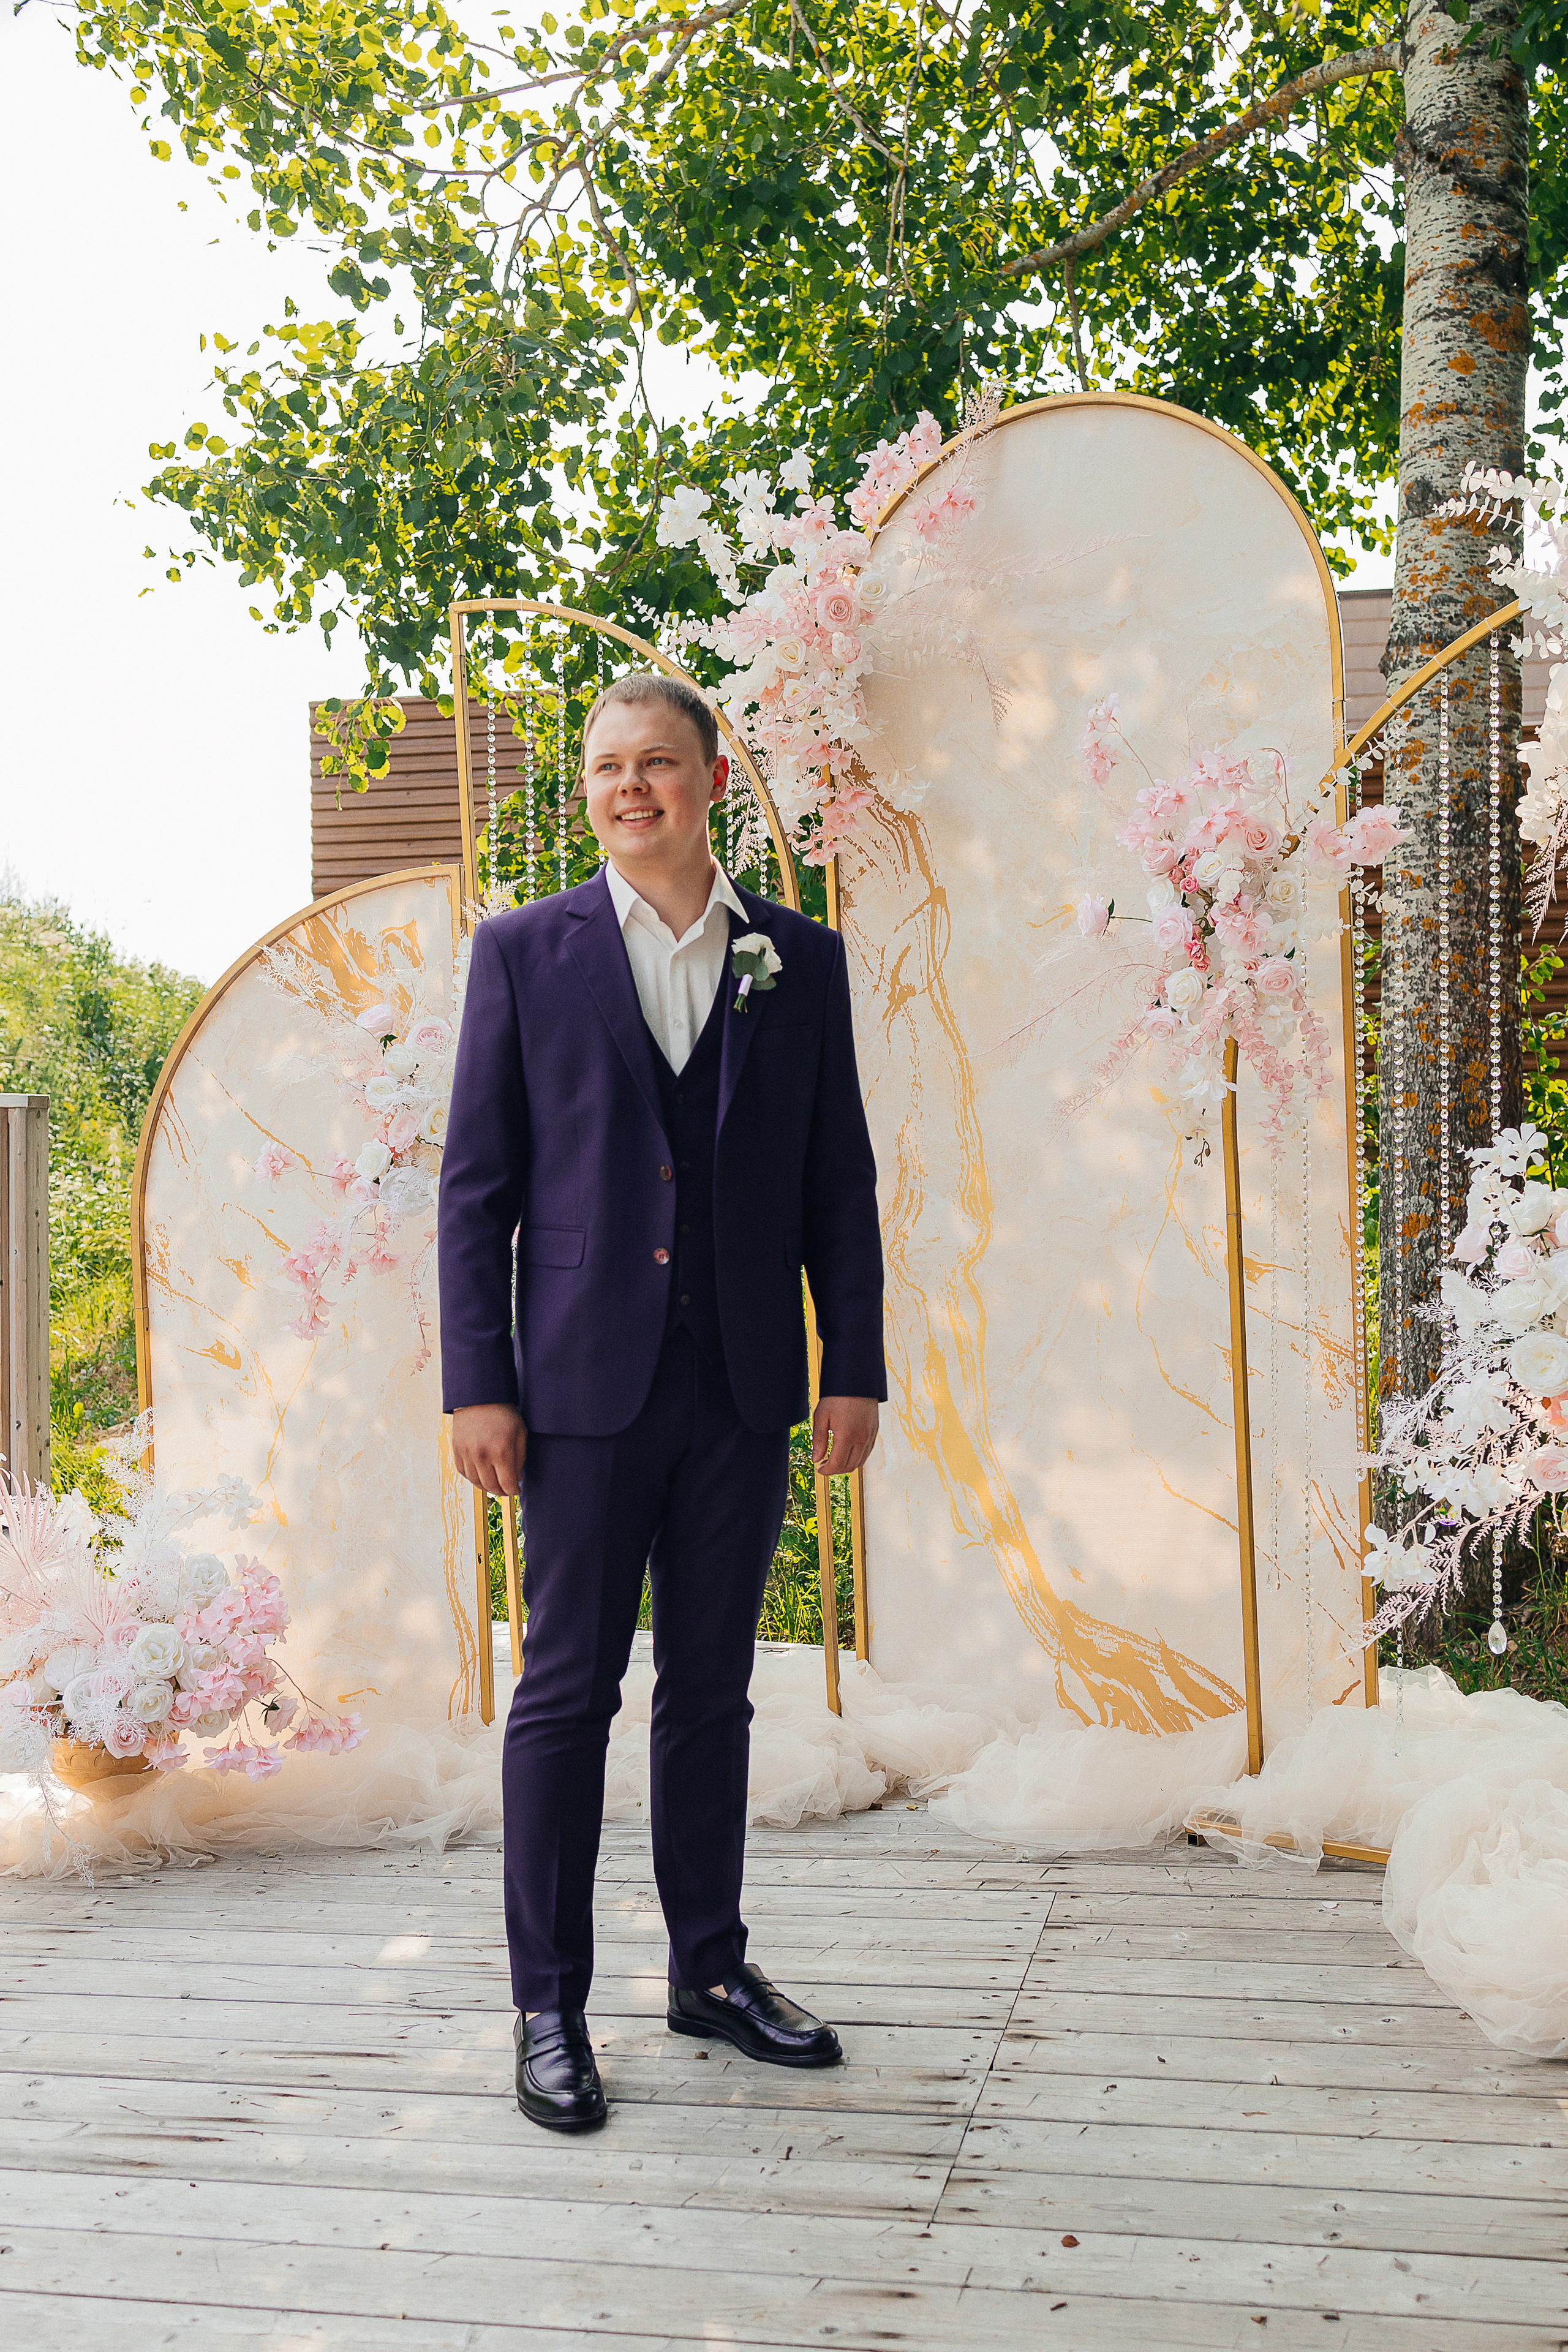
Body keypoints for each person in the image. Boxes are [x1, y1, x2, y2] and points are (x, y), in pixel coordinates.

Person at [439, 670, 886, 2132]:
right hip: (574, 1388)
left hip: (743, 1382)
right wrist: (477, 1388)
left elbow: (839, 1184)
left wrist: (852, 1364)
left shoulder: (796, 959)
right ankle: (547, 2010)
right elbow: (476, 1193)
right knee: (565, 1693)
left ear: (708, 782)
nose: (630, 789)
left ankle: (709, 1972)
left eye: (658, 765)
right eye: (605, 769)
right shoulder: (522, 952)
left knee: (713, 1691)